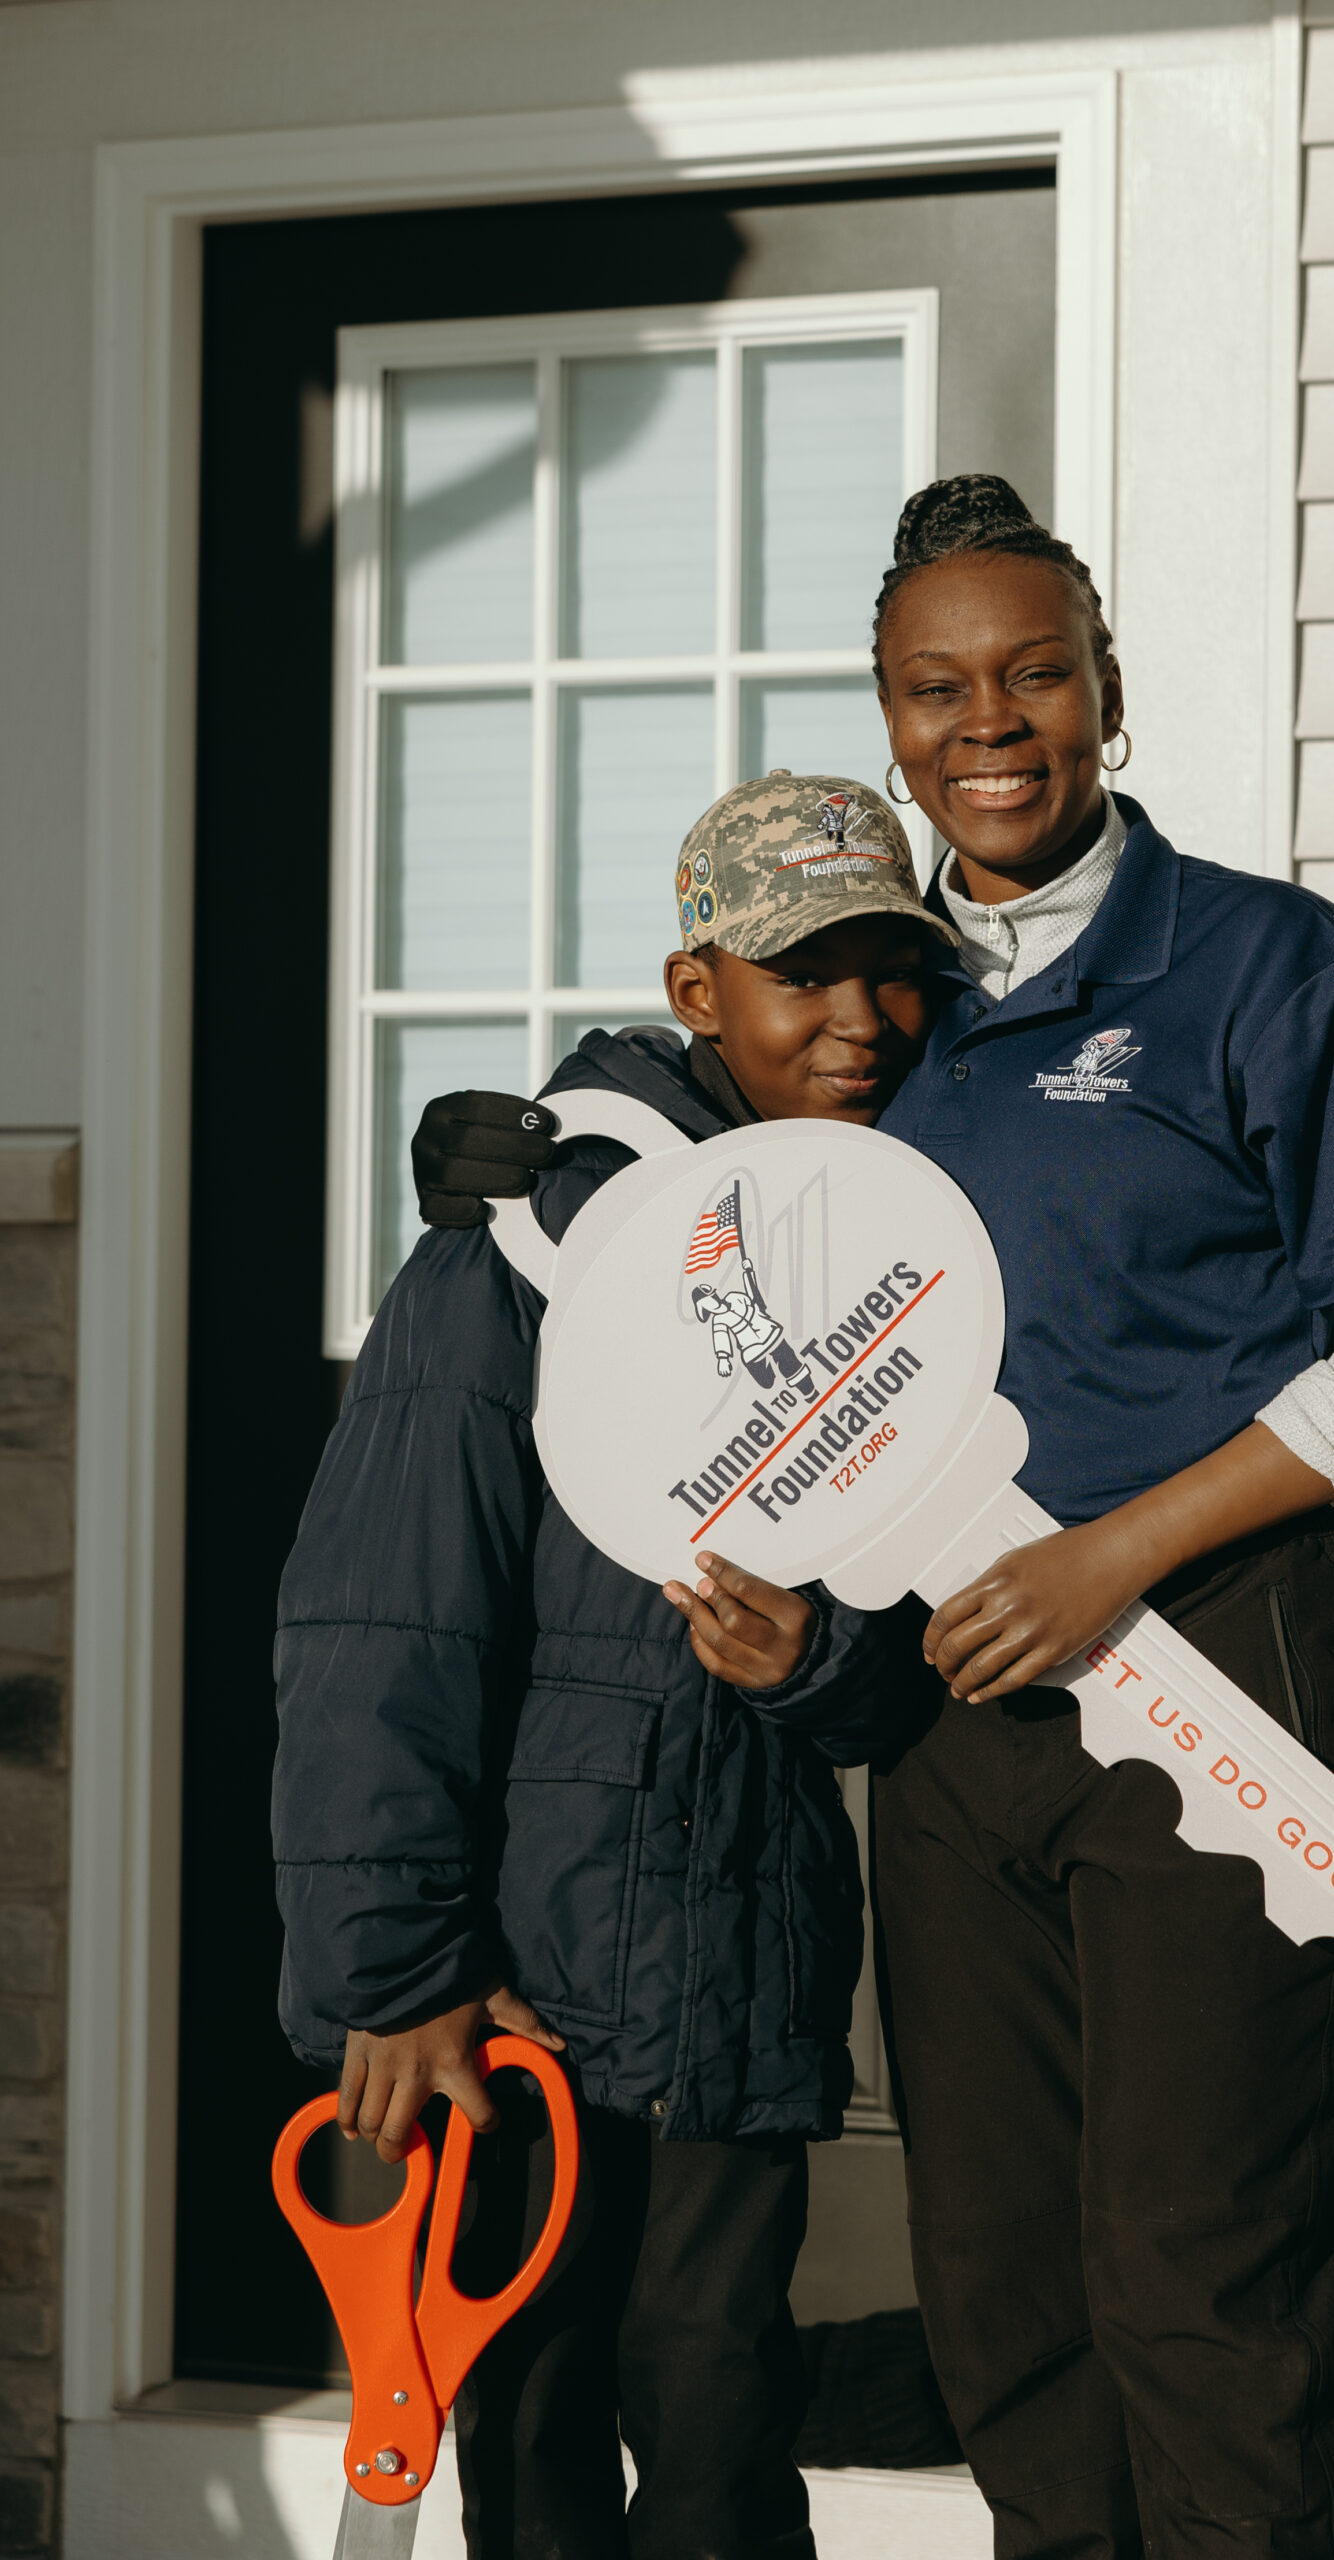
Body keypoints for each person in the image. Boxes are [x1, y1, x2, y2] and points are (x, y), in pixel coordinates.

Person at [407, 477, 1334, 2560]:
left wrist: (1115, 1550)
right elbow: (693, 1144)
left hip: (1226, 1655)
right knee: (1007, 2292)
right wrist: (521, 1141)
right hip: (948, 1712)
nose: (986, 721)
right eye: (936, 687)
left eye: (1031, 671)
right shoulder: (889, 1005)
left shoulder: (1262, 962)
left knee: (1196, 2283)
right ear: (889, 714)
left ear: (1107, 688)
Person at [272, 770, 952, 2560]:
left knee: (727, 2440)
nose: (860, 1021)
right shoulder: (529, 1240)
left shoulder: (882, 1249)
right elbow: (379, 1623)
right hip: (516, 1996)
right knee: (532, 2436)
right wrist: (398, 1971)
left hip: (738, 1967)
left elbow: (916, 1646)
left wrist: (819, 1664)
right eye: (805, 975)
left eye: (893, 972)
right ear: (697, 985)